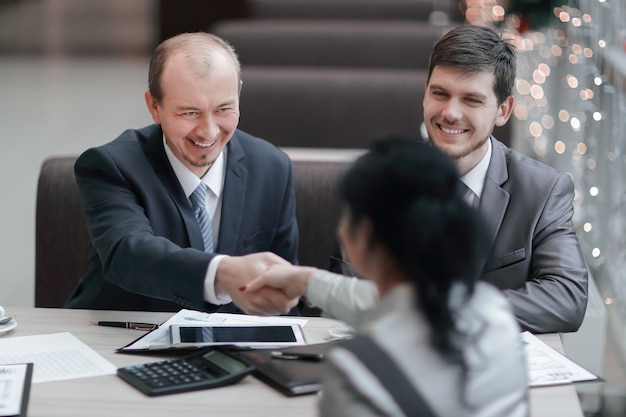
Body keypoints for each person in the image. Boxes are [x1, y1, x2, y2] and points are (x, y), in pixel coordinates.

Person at [246, 24, 589, 334]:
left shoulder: (543, 189)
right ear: (424, 92)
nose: (451, 112)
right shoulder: (381, 180)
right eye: (440, 93)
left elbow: (566, 298)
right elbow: (342, 291)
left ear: (503, 110)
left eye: (471, 99)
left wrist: (441, 312)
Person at [256, 137, 529, 416]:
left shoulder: (357, 370)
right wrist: (304, 281)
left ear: (364, 235)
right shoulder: (495, 313)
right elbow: (395, 303)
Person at [65, 32, 299, 315]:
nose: (209, 132)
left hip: (233, 349)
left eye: (224, 108)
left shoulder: (273, 167)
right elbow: (128, 253)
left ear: (238, 93)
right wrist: (221, 272)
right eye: (190, 113)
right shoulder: (110, 165)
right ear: (154, 106)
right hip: (120, 338)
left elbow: (285, 293)